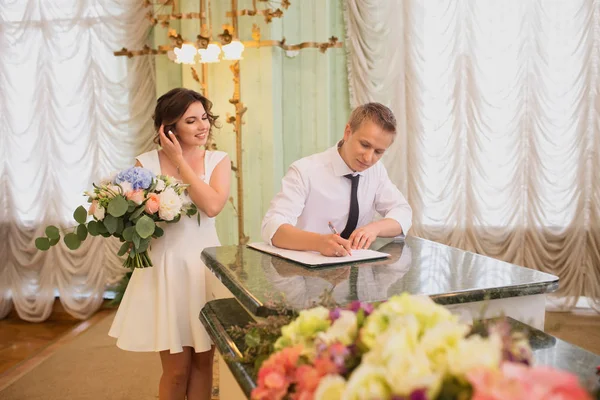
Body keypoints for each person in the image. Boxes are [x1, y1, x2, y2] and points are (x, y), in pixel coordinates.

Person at [109, 88, 231, 400]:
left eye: (204, 117)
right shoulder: (145, 163)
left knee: (205, 363)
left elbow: (212, 206)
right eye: (191, 120)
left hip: (204, 270)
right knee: (176, 370)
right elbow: (130, 222)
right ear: (169, 128)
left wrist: (179, 160)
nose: (203, 125)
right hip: (166, 271)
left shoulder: (218, 160)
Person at [261, 102, 412, 256]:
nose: (368, 158)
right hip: (307, 272)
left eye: (378, 152)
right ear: (348, 132)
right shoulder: (304, 171)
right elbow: (271, 226)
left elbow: (403, 211)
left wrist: (375, 228)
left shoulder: (376, 171)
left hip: (357, 268)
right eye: (365, 145)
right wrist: (318, 242)